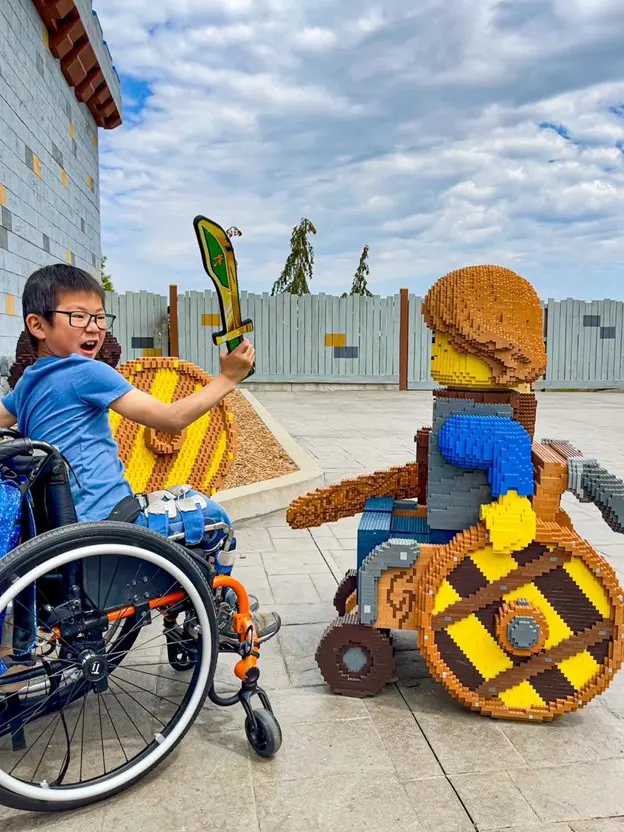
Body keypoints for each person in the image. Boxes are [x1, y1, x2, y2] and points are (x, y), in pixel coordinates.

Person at [0, 263, 269, 653]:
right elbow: (172, 418)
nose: (93, 328)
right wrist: (227, 378)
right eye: (78, 316)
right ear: (38, 326)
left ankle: (189, 617)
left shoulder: (28, 382)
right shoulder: (86, 372)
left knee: (177, 504)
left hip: (60, 533)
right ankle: (213, 619)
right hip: (110, 525)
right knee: (214, 522)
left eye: (98, 317)